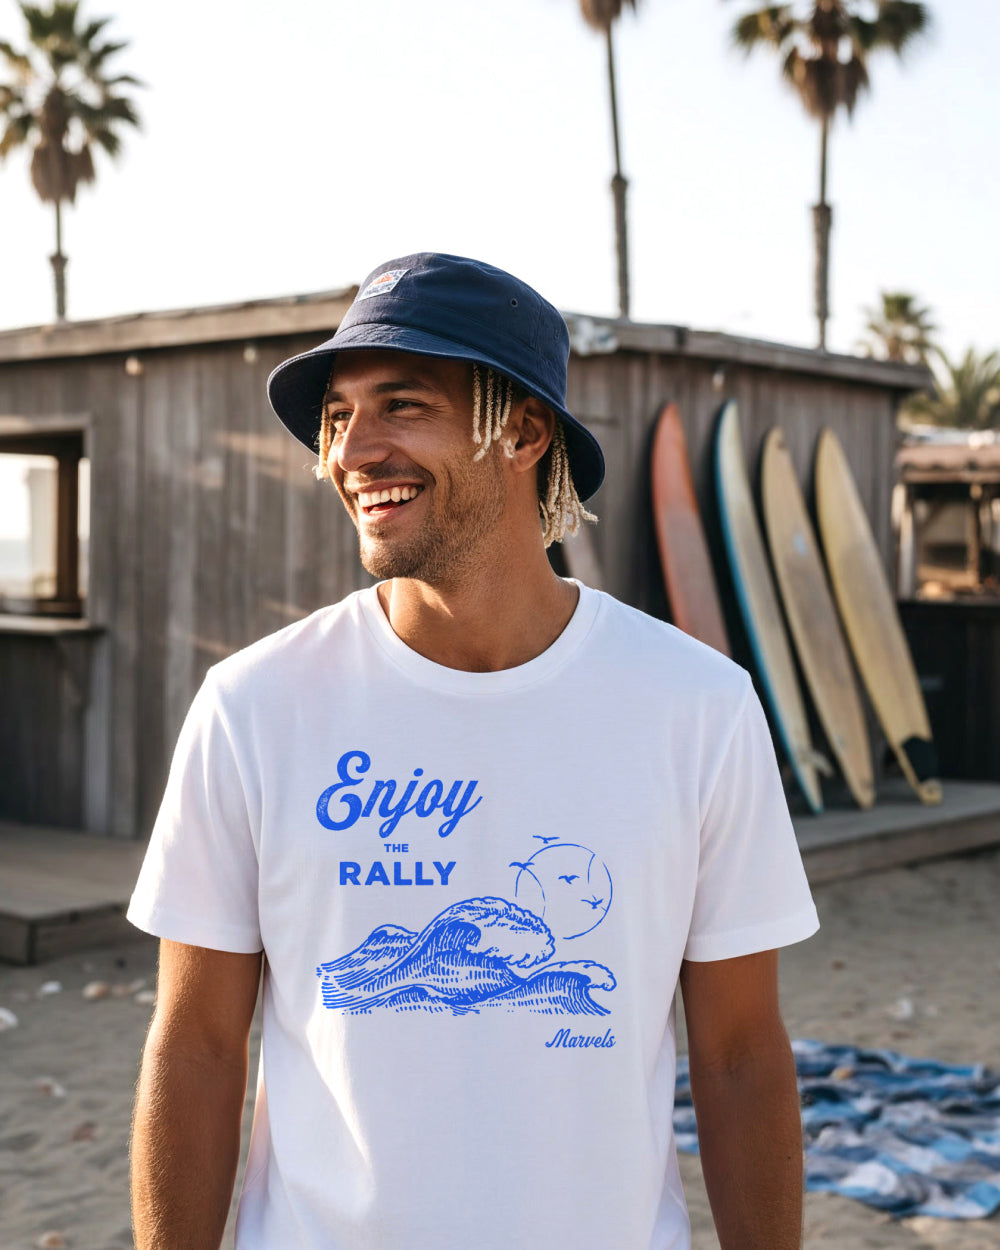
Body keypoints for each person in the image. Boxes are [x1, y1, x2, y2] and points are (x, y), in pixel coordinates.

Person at [128, 252, 819, 1250]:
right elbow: (194, 1046)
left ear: (524, 429)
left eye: (400, 405)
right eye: (334, 417)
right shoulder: (256, 704)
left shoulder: (695, 704)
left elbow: (742, 1050)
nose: (351, 450)